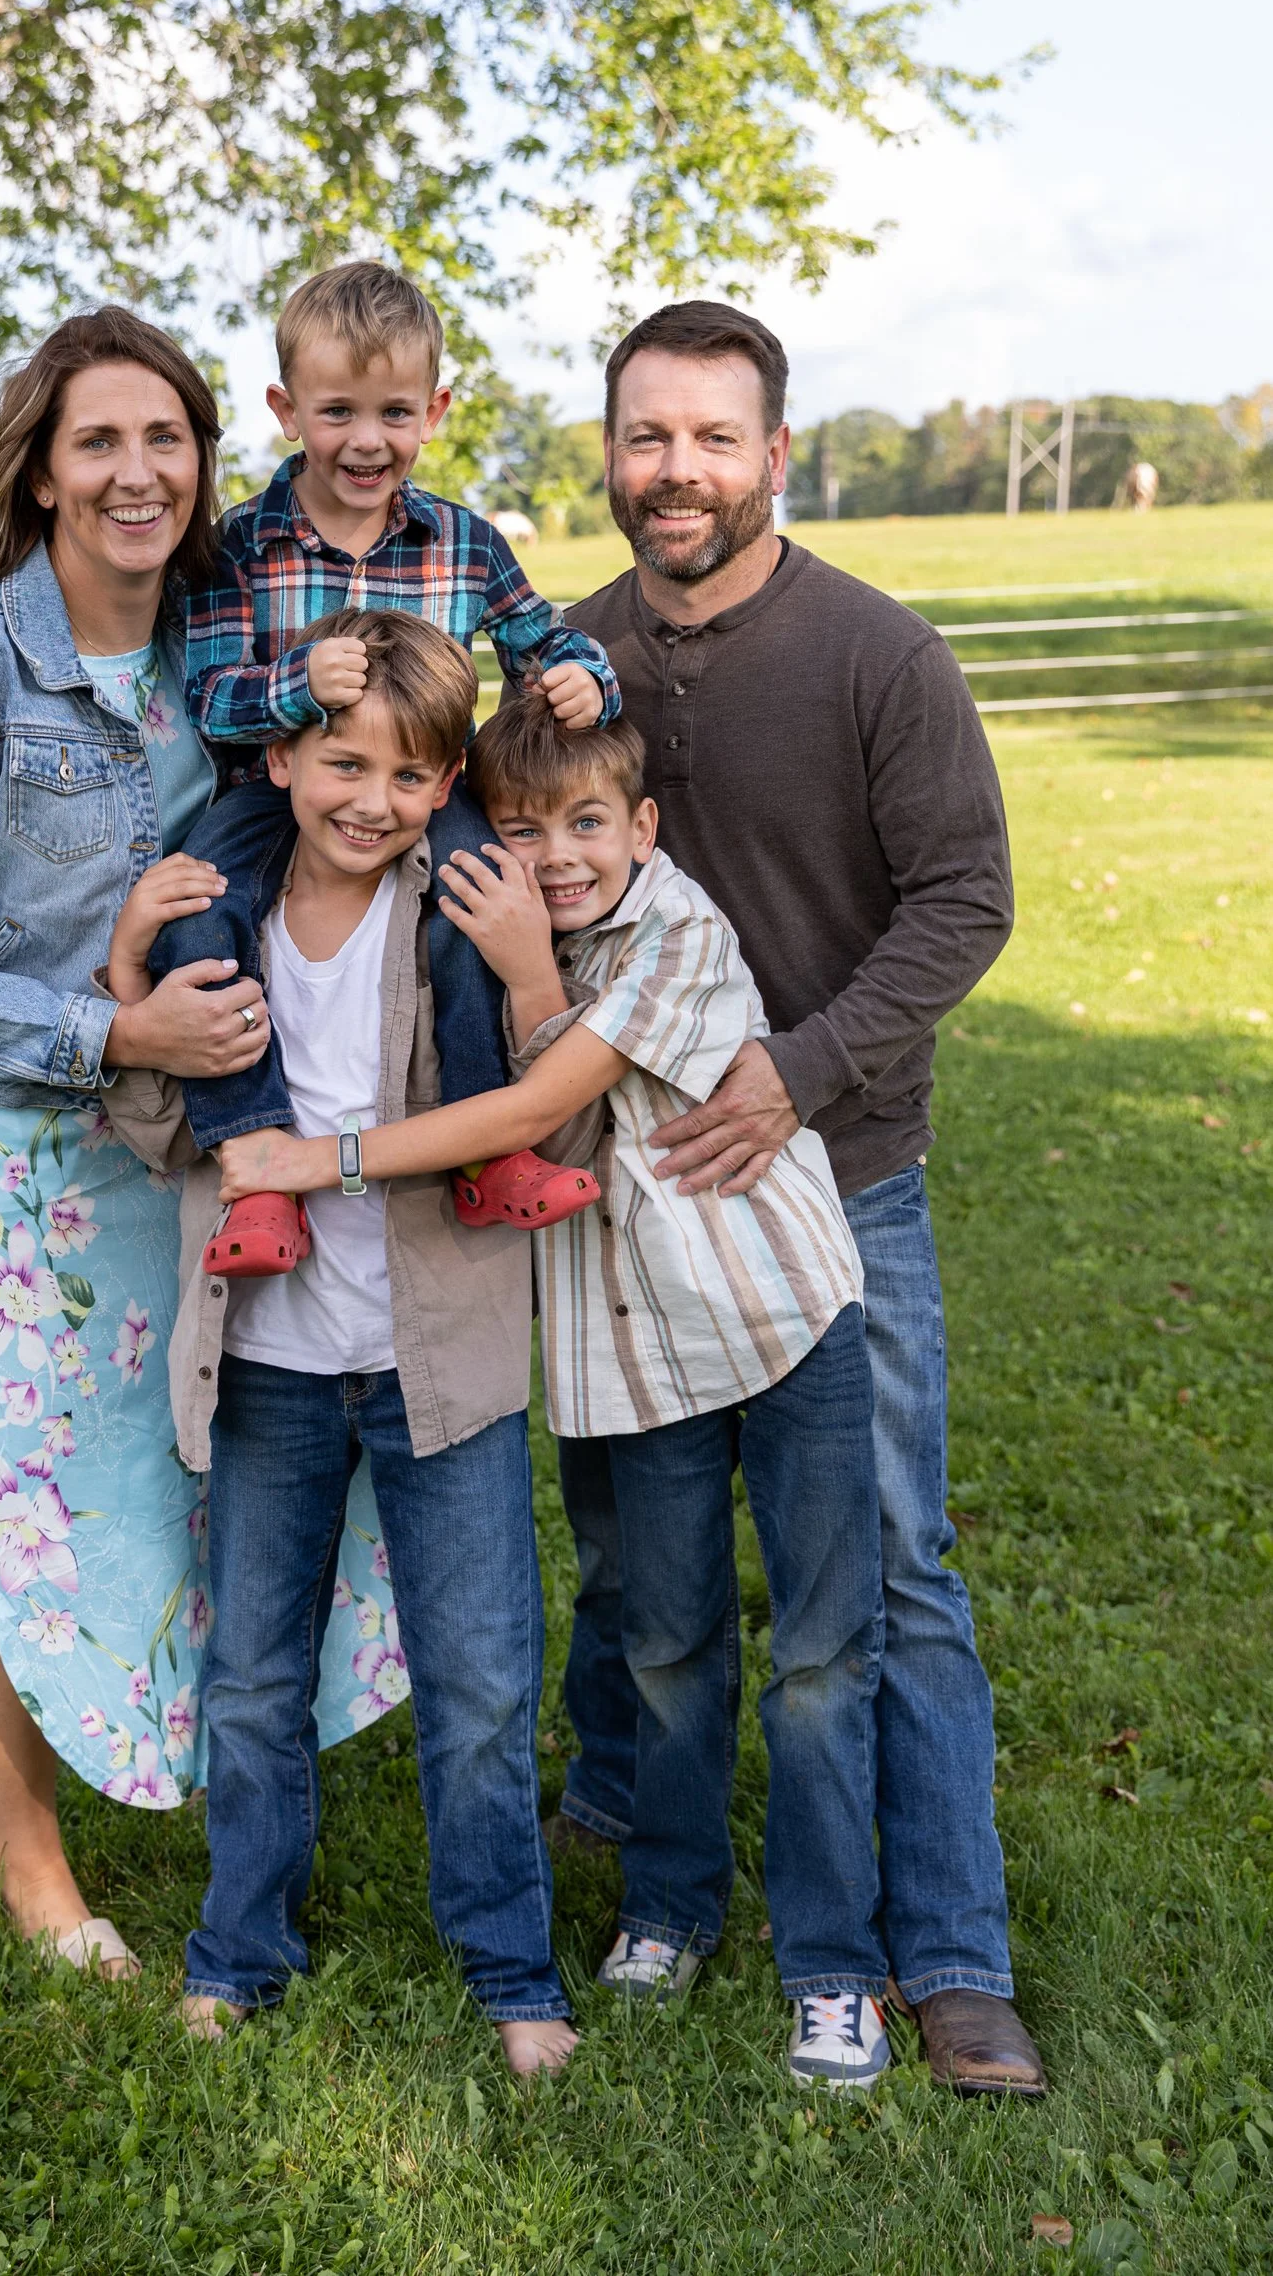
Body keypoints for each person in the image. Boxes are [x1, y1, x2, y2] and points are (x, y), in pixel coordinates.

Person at [0, 310, 414, 1978]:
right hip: (10, 1150)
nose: (135, 472)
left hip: (171, 1146)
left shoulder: (216, 652)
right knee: (21, 1508)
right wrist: (111, 1032)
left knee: (170, 1470)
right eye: (97, 441)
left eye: (163, 439)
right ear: (38, 470)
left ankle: (185, 1747)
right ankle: (35, 1865)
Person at [222, 689, 896, 2087]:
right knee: (659, 1646)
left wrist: (332, 1153)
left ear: (641, 826)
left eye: (588, 823)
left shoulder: (669, 933)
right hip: (627, 1351)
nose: (555, 854)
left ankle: (830, 1968)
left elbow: (540, 1117)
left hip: (777, 1322)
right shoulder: (473, 927)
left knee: (821, 1658)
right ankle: (667, 1906)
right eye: (519, 829)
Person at [563, 299, 1045, 2098]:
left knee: (891, 1567)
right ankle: (628, 1822)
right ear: (607, 451)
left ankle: (948, 1953)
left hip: (846, 1188)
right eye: (642, 435)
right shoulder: (577, 659)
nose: (671, 470)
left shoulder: (875, 656)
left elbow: (963, 901)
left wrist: (800, 1065)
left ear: (775, 455)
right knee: (633, 1549)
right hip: (638, 1205)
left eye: (709, 438)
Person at [99, 611, 580, 2076]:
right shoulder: (218, 913)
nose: (371, 799)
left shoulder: (461, 908)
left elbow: (546, 1109)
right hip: (271, 1361)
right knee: (250, 1675)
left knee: (482, 1677)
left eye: (412, 775)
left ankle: (509, 1967)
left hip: (443, 1352)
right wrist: (127, 973)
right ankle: (240, 1948)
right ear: (287, 756)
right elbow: (157, 1131)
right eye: (342, 760)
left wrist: (533, 965)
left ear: (447, 787)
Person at [135, 259, 619, 1276]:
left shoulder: (463, 542)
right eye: (336, 411)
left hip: (423, 792)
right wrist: (295, 686)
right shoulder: (239, 549)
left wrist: (581, 681)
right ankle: (258, 1165)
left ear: (434, 409)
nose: (367, 440)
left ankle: (491, 1147)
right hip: (274, 794)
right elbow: (213, 701)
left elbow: (543, 637)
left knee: (478, 900)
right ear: (284, 408)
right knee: (198, 915)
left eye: (394, 412)